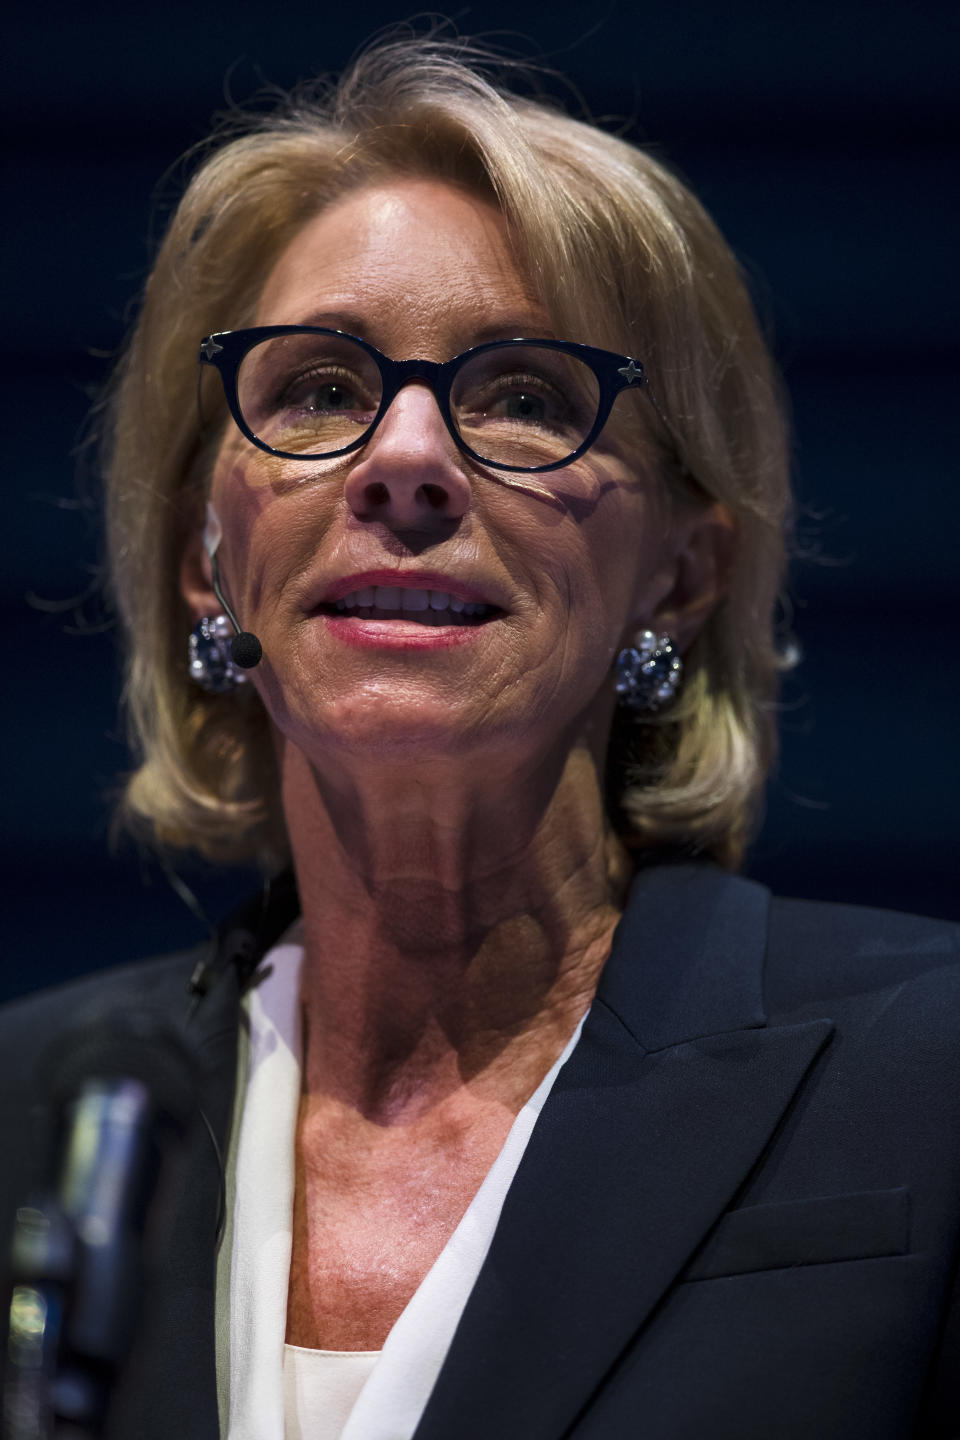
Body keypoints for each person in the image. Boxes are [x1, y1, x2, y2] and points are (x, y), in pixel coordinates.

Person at [2, 35, 958, 1440]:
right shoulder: (28, 1107)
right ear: (208, 556)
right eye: (318, 388)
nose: (402, 459)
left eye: (524, 397)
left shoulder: (924, 1066)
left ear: (680, 577)